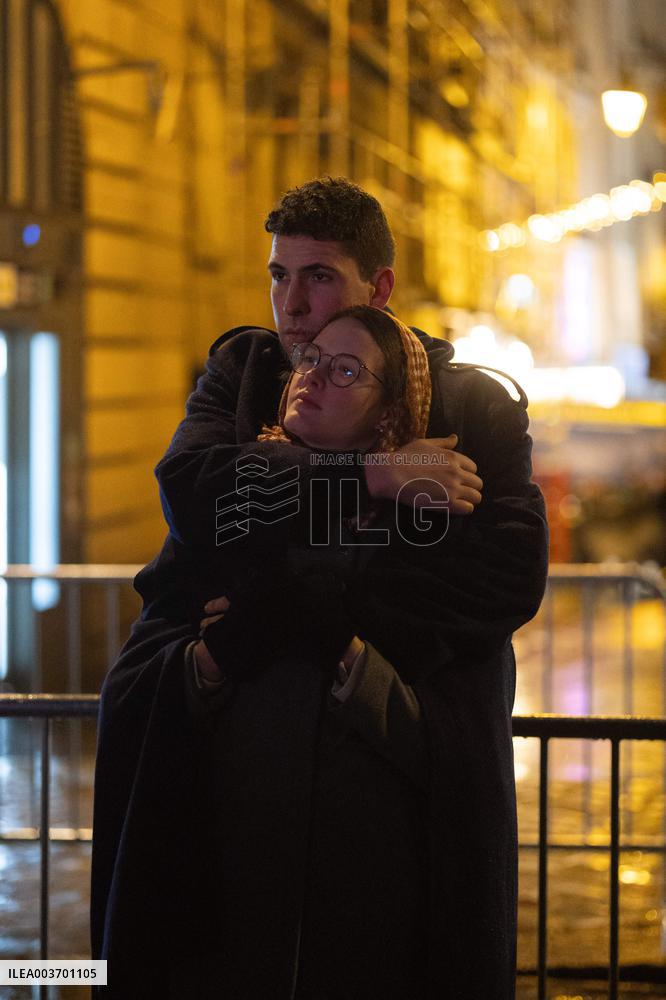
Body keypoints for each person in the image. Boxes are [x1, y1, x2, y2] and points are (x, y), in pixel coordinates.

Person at [91, 179, 549, 999]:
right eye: (278, 275)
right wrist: (371, 475)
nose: (291, 303)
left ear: (379, 286)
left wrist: (329, 622)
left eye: (319, 277)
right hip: (231, 781)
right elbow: (196, 496)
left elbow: (508, 572)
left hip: (393, 785)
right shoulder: (244, 370)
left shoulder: (471, 402)